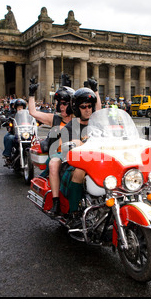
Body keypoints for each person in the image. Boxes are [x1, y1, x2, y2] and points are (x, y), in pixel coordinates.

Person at [28, 79, 76, 217]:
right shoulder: (54, 119)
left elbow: (97, 112)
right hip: (58, 155)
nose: (61, 107)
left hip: (76, 154)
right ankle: (56, 202)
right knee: (54, 164)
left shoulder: (78, 118)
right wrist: (31, 94)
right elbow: (32, 112)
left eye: (65, 104)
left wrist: (94, 91)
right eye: (60, 104)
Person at [59, 87, 101, 218]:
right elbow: (62, 145)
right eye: (83, 106)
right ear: (77, 108)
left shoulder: (98, 124)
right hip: (74, 162)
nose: (87, 109)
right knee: (80, 172)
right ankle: (74, 211)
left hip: (97, 160)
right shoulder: (71, 126)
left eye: (90, 106)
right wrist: (76, 144)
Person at [2, 98, 26, 165]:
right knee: (8, 138)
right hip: (14, 134)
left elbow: (32, 120)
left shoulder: (27, 115)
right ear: (16, 108)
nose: (20, 109)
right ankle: (8, 156)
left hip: (25, 134)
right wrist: (7, 121)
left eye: (21, 107)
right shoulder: (12, 115)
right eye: (18, 107)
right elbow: (7, 119)